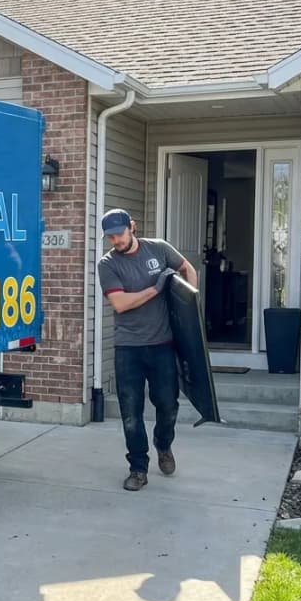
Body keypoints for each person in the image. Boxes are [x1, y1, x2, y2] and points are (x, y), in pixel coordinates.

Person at [97, 208, 197, 491]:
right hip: (128, 347)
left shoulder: (159, 249)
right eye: (110, 237)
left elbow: (187, 268)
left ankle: (163, 444)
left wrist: (191, 304)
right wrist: (156, 288)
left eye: (119, 233)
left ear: (132, 226)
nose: (116, 240)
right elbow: (120, 304)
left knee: (168, 405)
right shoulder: (108, 264)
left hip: (162, 344)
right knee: (131, 412)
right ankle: (138, 468)